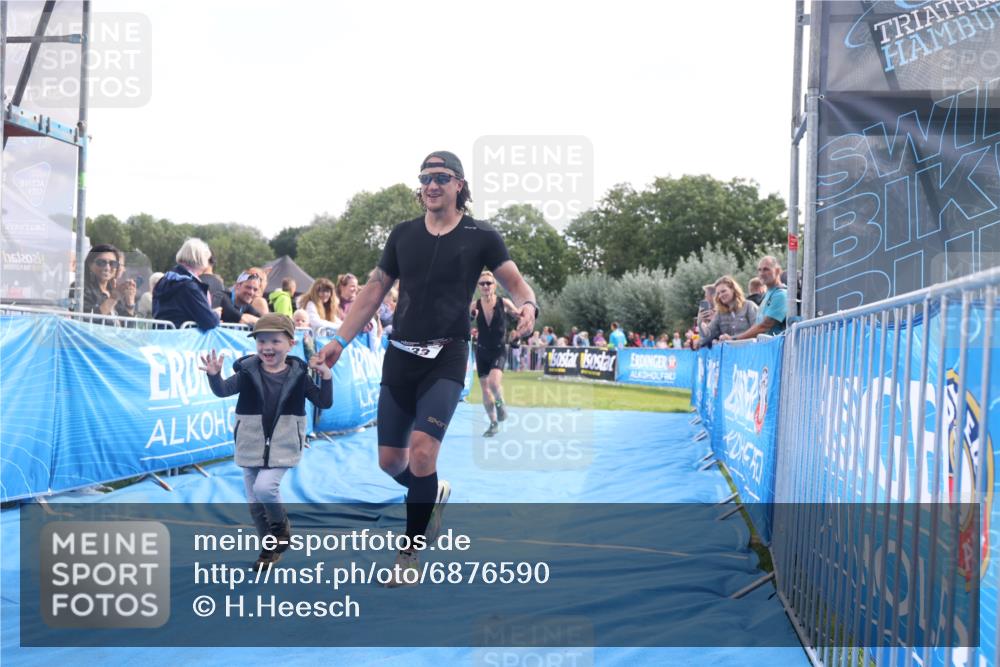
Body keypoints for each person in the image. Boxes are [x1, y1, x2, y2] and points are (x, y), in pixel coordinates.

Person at [318, 150, 537, 587]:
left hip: (447, 356)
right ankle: (432, 491)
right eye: (425, 178)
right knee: (390, 462)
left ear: (459, 185)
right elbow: (374, 291)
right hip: (400, 356)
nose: (431, 185)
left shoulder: (481, 235)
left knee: (422, 453)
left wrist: (529, 304)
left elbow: (514, 282)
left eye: (441, 177)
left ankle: (409, 555)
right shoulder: (403, 234)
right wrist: (339, 340)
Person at [200, 314, 332, 569]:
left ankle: (281, 527)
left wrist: (326, 376)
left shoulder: (299, 374)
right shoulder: (247, 371)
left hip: (283, 443)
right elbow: (223, 390)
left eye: (275, 341)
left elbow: (323, 402)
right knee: (254, 504)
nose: (267, 347)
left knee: (265, 488)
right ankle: (268, 549)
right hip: (251, 443)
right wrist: (214, 376)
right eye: (261, 341)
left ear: (291, 344)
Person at [470, 270, 520, 437]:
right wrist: (471, 317)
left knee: (493, 383)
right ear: (478, 286)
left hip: (498, 350)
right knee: (485, 390)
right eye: (482, 283)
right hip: (481, 351)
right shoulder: (474, 305)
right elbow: (464, 321)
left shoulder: (503, 302)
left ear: (495, 285)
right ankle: (493, 423)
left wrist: (517, 334)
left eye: (488, 283)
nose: (485, 286)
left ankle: (500, 403)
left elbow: (519, 317)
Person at [153, 238, 220, 330]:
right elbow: (209, 321)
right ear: (201, 260)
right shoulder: (189, 286)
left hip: (161, 334)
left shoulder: (164, 280)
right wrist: (216, 314)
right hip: (182, 336)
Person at [723, 256, 787, 342]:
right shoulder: (768, 295)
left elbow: (764, 326)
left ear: (777, 271)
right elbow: (757, 325)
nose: (761, 273)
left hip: (777, 347)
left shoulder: (780, 295)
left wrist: (734, 339)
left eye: (766, 269)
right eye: (759, 270)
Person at [695, 275, 759, 349]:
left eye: (723, 291)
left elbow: (757, 330)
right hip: (731, 354)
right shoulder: (720, 314)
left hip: (751, 352)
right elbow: (706, 338)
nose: (721, 295)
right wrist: (700, 323)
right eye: (718, 293)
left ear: (733, 289)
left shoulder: (749, 306)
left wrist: (733, 339)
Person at [82, 244, 136, 317]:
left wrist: (130, 300)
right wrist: (113, 298)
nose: (107, 268)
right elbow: (88, 318)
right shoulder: (80, 288)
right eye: (101, 262)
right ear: (90, 264)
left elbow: (127, 323)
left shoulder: (111, 290)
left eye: (113, 263)